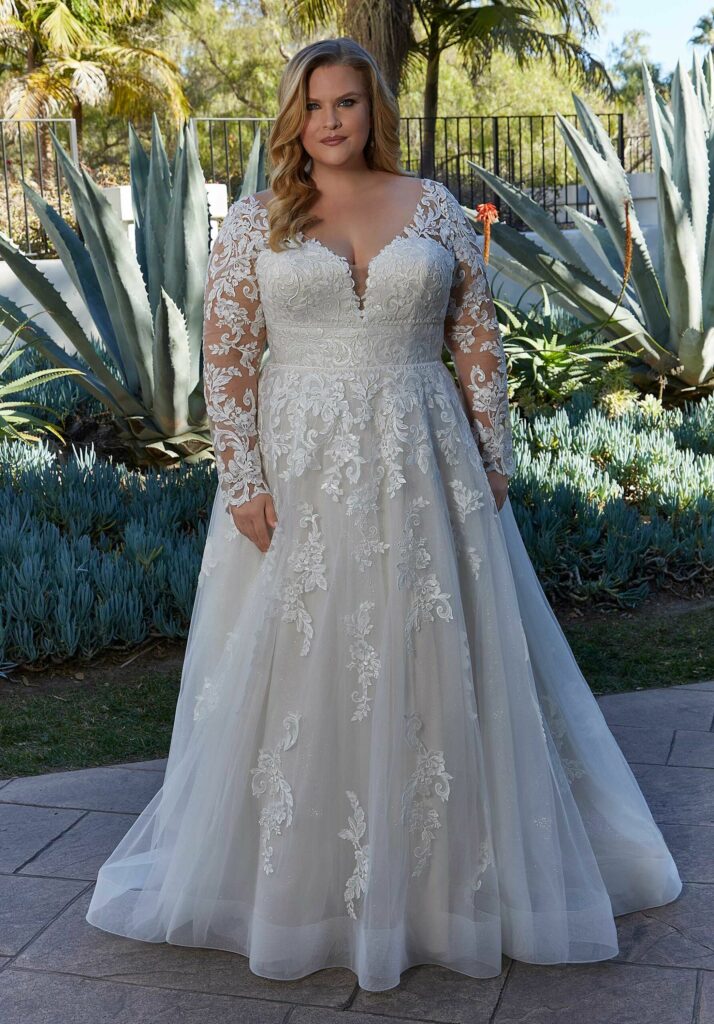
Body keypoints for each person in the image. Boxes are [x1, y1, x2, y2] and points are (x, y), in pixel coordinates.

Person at [85, 36, 682, 993]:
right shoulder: (252, 222)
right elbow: (228, 358)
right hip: (303, 471)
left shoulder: (432, 206)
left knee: (430, 656)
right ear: (294, 114)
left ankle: (443, 887)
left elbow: (474, 336)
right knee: (306, 665)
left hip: (424, 462)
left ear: (373, 111)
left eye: (348, 104)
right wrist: (241, 479)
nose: (330, 121)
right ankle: (297, 888)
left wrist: (495, 456)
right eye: (314, 104)